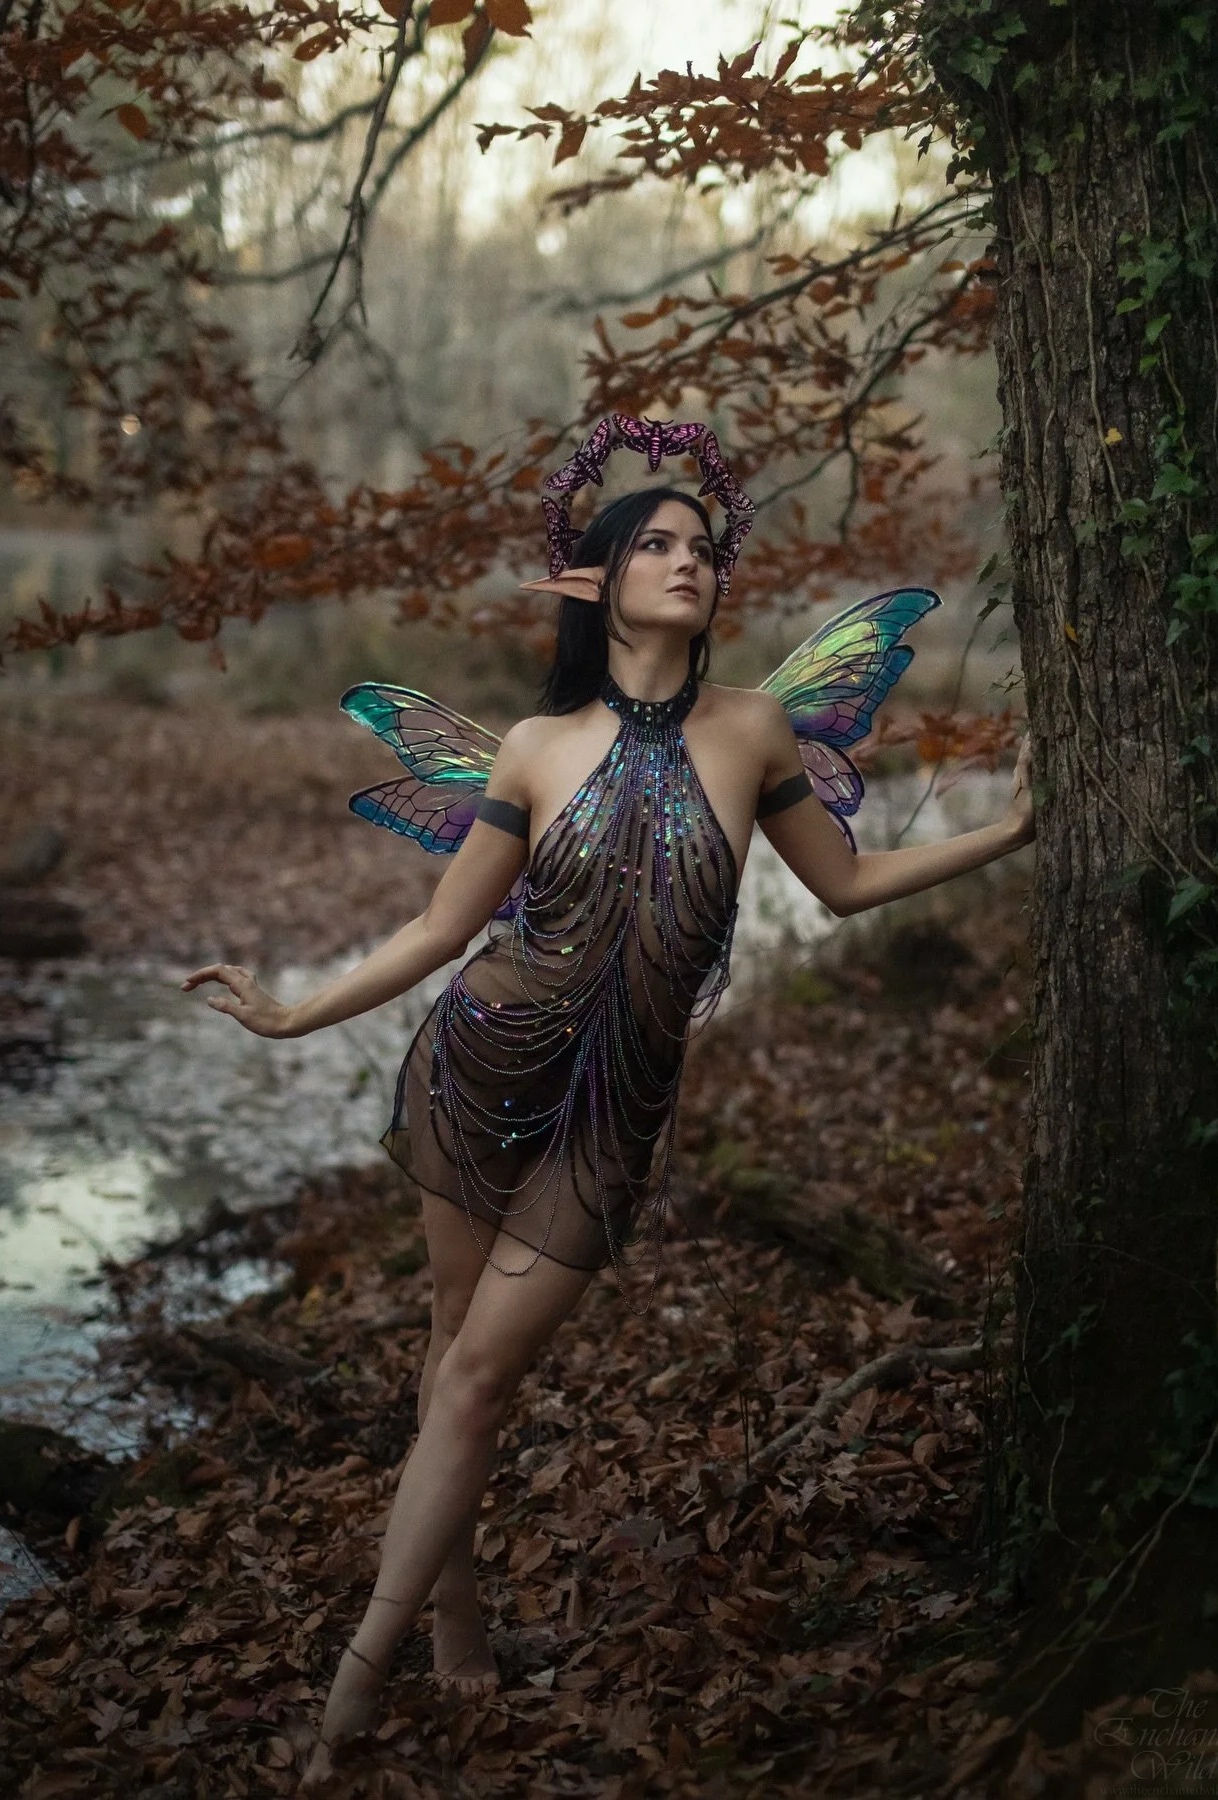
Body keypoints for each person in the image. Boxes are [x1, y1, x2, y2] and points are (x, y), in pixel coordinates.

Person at [181, 422, 1035, 1785]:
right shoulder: (530, 745)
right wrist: (290, 1013)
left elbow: (850, 888)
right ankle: (452, 1634)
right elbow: (439, 931)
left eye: (702, 547)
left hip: (613, 1116)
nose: (687, 562)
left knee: (473, 1374)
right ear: (596, 580)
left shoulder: (754, 730)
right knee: (451, 1351)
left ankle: (350, 1691)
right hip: (477, 1068)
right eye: (656, 543)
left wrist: (1012, 828)